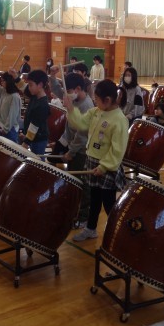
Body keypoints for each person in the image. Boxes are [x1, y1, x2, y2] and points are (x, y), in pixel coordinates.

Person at [65, 79, 129, 242]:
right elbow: (80, 123)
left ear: (107, 100)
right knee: (94, 199)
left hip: (107, 167)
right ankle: (91, 229)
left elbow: (118, 150)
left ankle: (117, 234)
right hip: (92, 161)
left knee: (109, 204)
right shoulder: (96, 111)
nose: (95, 102)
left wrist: (104, 166)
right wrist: (71, 109)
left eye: (97, 99)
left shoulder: (119, 120)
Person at [50, 72, 94, 228]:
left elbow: (82, 136)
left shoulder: (86, 106)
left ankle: (83, 217)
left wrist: (71, 152)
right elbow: (58, 90)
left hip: (82, 152)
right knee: (74, 182)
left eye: (68, 91)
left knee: (83, 184)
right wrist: (52, 76)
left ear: (78, 89)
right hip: (73, 147)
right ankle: (74, 212)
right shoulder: (74, 99)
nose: (66, 94)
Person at [0, 63, 21, 143]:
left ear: (9, 81)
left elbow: (12, 116)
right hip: (1, 127)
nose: (1, 82)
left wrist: (5, 129)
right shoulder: (4, 91)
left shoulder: (15, 97)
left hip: (9, 130)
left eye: (3, 80)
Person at [21, 70, 50, 155]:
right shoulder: (34, 95)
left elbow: (34, 126)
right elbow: (23, 88)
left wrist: (26, 143)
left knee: (37, 160)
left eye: (30, 85)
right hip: (33, 137)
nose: (28, 87)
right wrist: (15, 76)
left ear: (40, 85)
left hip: (39, 139)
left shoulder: (43, 105)